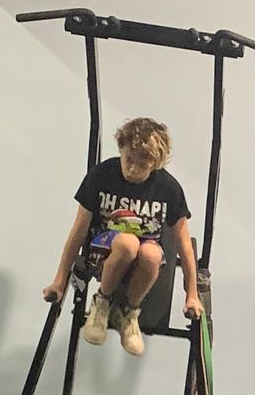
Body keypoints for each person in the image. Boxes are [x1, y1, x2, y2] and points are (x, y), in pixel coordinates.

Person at [45, 116, 200, 357]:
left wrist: (192, 294)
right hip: (103, 250)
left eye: (142, 165)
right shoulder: (102, 175)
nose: (133, 169)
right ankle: (102, 302)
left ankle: (128, 312)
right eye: (128, 160)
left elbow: (184, 244)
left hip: (144, 256)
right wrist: (59, 280)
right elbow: (78, 230)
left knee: (149, 252)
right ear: (121, 149)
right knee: (128, 243)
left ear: (155, 163)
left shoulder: (169, 188)